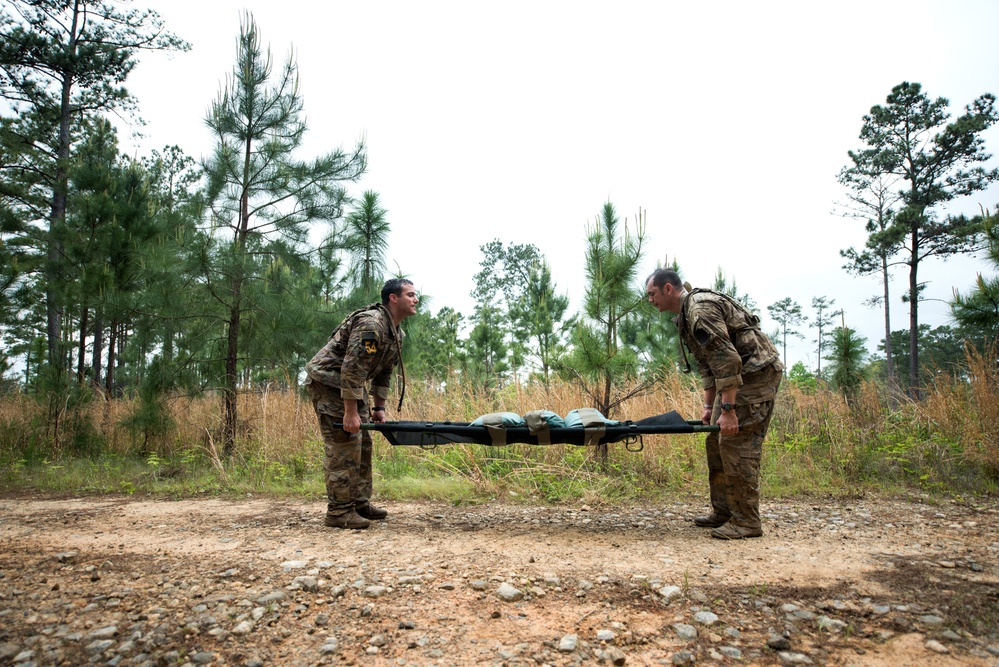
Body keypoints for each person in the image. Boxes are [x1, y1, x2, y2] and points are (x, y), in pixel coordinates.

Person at [646, 268, 783, 540]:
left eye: (652, 294)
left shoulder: (699, 310)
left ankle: (746, 521)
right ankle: (724, 511)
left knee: (736, 442)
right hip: (734, 379)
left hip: (754, 376)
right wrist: (710, 407)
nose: (650, 300)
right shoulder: (685, 316)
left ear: (668, 289)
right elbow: (707, 365)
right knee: (714, 439)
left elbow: (728, 361)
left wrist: (729, 411)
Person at [304, 278, 419, 529]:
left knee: (364, 441)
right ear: (393, 298)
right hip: (329, 382)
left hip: (349, 386)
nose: (416, 299)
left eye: (415, 295)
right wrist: (350, 412)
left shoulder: (396, 332)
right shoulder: (371, 324)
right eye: (410, 294)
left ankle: (358, 503)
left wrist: (379, 408)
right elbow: (352, 368)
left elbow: (384, 372)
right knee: (345, 442)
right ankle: (339, 511)